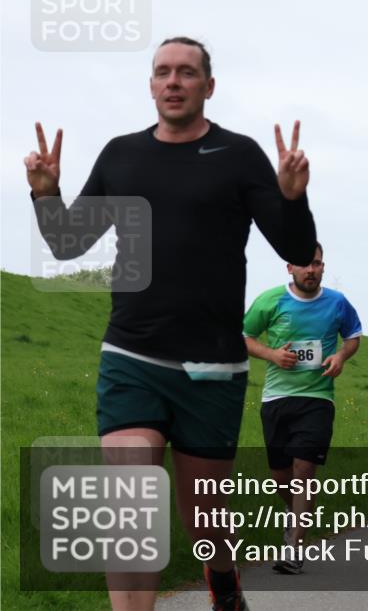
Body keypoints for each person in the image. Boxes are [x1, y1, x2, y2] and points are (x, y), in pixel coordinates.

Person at [25, 36, 316, 611]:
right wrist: (46, 195)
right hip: (132, 355)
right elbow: (67, 242)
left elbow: (298, 247)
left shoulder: (239, 155)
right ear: (152, 85)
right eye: (163, 72)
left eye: (187, 72)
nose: (174, 81)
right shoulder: (121, 154)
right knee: (129, 503)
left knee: (204, 519)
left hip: (213, 367)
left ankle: (223, 578)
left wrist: (291, 198)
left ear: (209, 86)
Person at [243, 243, 362, 574]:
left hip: (318, 399)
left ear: (323, 267)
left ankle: (294, 546)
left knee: (304, 471)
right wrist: (272, 355)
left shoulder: (337, 303)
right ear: (289, 268)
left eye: (317, 264)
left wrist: (340, 356)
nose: (311, 270)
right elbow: (245, 336)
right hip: (277, 399)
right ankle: (296, 512)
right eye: (304, 264)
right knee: (281, 475)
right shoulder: (270, 300)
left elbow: (353, 336)